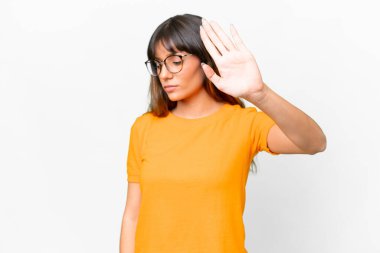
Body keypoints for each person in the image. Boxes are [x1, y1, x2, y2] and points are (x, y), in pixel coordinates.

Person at [119, 13, 326, 253]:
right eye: (157, 64)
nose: (164, 74)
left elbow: (315, 143)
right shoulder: (144, 127)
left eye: (175, 61)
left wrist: (260, 94)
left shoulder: (244, 124)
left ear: (205, 58)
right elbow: (132, 216)